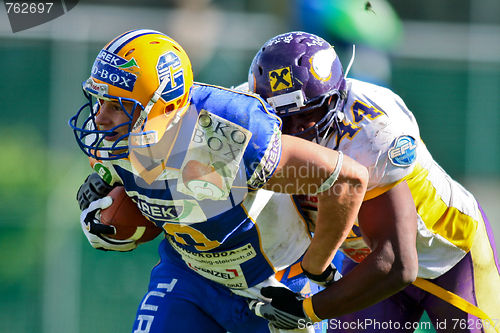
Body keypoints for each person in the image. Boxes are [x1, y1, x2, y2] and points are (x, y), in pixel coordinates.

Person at [68, 29, 369, 333]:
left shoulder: (225, 136)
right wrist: (112, 218)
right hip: (190, 275)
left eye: (117, 106)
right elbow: (156, 198)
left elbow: (347, 179)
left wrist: (316, 268)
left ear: (163, 107)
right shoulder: (111, 142)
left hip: (272, 286)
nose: (99, 119)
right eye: (100, 101)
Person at [246, 31, 500, 332]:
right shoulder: (249, 114)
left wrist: (307, 310)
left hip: (447, 256)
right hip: (368, 255)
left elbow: (397, 263)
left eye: (307, 115)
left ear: (334, 100)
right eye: (279, 117)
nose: (294, 131)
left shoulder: (374, 133)